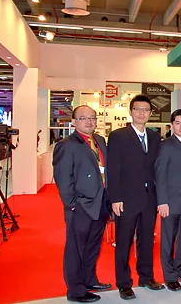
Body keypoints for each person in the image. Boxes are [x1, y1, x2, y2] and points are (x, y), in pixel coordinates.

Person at [107, 94, 164, 300]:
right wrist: (115, 197)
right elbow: (113, 169)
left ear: (150, 113)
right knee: (124, 241)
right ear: (131, 112)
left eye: (146, 110)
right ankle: (123, 283)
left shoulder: (155, 137)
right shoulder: (118, 136)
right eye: (138, 109)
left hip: (149, 198)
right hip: (126, 198)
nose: (142, 113)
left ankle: (146, 277)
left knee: (147, 239)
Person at [53, 105, 111, 303]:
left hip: (100, 203)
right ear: (74, 122)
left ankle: (89, 279)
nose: (89, 122)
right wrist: (72, 204)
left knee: (93, 246)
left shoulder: (100, 141)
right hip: (80, 206)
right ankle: (76, 290)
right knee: (76, 249)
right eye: (83, 118)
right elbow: (63, 177)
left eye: (92, 118)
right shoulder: (67, 145)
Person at [154, 109, 181, 291]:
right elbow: (160, 174)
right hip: (170, 202)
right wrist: (162, 201)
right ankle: (170, 276)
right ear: (172, 125)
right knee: (167, 240)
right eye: (178, 123)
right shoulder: (165, 146)